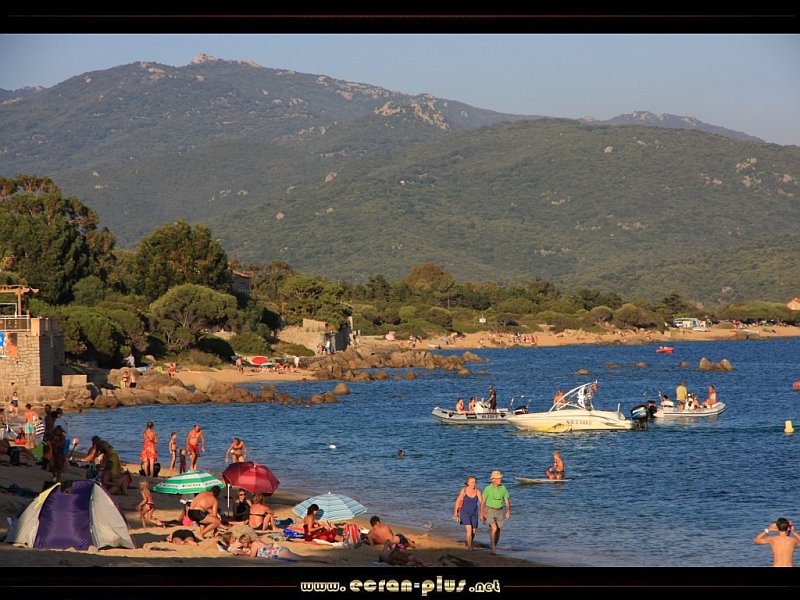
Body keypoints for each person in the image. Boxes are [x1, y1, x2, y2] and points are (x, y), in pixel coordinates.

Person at [235, 534, 330, 563]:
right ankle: (323, 559)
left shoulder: (254, 545)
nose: (242, 545)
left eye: (243, 543)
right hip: (279, 550)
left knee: (302, 558)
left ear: (246, 541)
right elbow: (268, 546)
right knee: (301, 557)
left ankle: (324, 560)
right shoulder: (257, 541)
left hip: (278, 553)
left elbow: (251, 557)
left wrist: (241, 553)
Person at [481, 470, 511, 555]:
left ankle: (494, 545)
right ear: (493, 479)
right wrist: (482, 513)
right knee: (494, 528)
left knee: (498, 530)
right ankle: (493, 547)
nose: (500, 479)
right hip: (489, 510)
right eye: (498, 478)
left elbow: (507, 500)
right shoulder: (488, 489)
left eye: (500, 478)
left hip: (500, 511)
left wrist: (508, 511)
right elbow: (483, 502)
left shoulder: (503, 488)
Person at [453, 475, 483, 550]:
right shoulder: (464, 490)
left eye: (475, 482)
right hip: (465, 512)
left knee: (473, 531)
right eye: (472, 482)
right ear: (468, 483)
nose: (474, 484)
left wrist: (483, 513)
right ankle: (469, 547)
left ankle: (469, 543)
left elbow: (482, 503)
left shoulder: (477, 491)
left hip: (474, 513)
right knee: (469, 529)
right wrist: (455, 513)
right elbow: (457, 501)